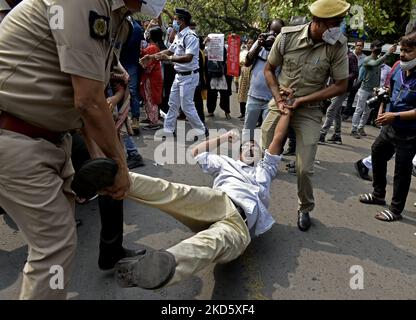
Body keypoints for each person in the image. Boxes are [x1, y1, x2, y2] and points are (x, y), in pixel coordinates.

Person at [0, 0, 146, 299]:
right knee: (54, 247)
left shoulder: (117, 17)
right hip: (15, 133)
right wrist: (119, 167)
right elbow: (89, 101)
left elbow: (82, 98)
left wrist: (101, 158)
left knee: (58, 244)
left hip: (49, 138)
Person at [77, 106, 293, 290]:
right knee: (174, 192)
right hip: (218, 202)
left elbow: (277, 138)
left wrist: (287, 112)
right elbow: (197, 152)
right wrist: (223, 137)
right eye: (247, 146)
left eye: (255, 147)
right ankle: (113, 178)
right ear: (238, 154)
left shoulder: (265, 170)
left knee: (210, 245)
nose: (251, 148)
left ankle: (155, 268)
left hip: (240, 227)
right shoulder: (226, 163)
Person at [261, 0, 351, 232]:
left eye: (340, 23)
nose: (338, 28)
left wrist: (301, 100)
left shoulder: (338, 45)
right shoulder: (287, 36)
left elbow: (341, 85)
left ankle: (305, 207)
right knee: (263, 153)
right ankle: (253, 199)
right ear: (317, 22)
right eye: (335, 23)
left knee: (304, 167)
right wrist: (279, 99)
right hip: (280, 104)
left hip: (309, 110)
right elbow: (269, 69)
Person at [358, 31, 416, 222]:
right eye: (401, 50)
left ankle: (395, 209)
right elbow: (388, 90)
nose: (402, 54)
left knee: (402, 170)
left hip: (410, 132)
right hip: (391, 125)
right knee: (378, 151)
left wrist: (395, 115)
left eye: (408, 51)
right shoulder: (398, 67)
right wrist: (382, 110)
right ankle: (378, 194)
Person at [140, 8, 207, 139]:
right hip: (179, 75)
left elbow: (188, 57)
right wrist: (151, 57)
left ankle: (201, 131)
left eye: (176, 19)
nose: (174, 21)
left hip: (189, 75)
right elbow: (169, 51)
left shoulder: (191, 37)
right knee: (173, 104)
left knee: (187, 106)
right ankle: (169, 130)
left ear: (182, 21)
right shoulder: (179, 36)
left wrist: (169, 59)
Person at [350, 40, 397, 138]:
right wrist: (388, 52)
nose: (378, 49)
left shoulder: (378, 61)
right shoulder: (368, 60)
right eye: (376, 47)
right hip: (364, 89)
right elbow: (375, 63)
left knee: (367, 111)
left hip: (373, 90)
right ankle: (354, 129)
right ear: (371, 48)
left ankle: (360, 127)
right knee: (359, 109)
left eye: (380, 47)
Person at [243, 31, 279, 141]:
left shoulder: (282, 46)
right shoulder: (260, 44)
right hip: (254, 95)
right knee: (248, 127)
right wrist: (259, 44)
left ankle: (264, 154)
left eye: (276, 33)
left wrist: (276, 44)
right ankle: (246, 149)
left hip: (272, 98)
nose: (272, 37)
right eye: (271, 32)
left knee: (268, 130)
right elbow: (247, 62)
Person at [319, 47, 359, 144]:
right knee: (336, 112)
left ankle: (322, 134)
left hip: (343, 89)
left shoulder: (351, 57)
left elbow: (355, 73)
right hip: (335, 87)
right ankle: (337, 136)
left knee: (330, 110)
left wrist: (343, 79)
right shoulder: (339, 56)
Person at [120, 16, 144, 134]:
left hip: (130, 64)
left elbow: (124, 45)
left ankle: (135, 119)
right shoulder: (123, 24)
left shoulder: (135, 28)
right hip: (120, 63)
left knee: (132, 91)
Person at [140, 27, 164, 130]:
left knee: (151, 98)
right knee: (148, 98)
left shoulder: (151, 48)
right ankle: (150, 117)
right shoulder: (154, 47)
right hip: (153, 77)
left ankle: (154, 121)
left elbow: (148, 66)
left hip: (151, 78)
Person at [342, 40, 367, 119]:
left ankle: (346, 113)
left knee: (351, 96)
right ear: (355, 46)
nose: (359, 47)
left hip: (357, 80)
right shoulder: (349, 54)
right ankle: (338, 111)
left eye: (360, 45)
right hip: (347, 77)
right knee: (341, 95)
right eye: (357, 45)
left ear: (363, 47)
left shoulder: (365, 58)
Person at [238, 38, 254, 120]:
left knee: (249, 96)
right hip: (243, 75)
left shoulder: (256, 54)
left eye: (251, 43)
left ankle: (248, 115)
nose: (249, 44)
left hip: (251, 76)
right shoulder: (242, 53)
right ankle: (242, 113)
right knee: (242, 94)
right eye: (248, 43)